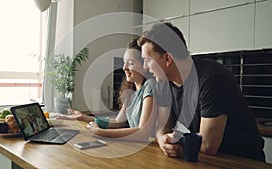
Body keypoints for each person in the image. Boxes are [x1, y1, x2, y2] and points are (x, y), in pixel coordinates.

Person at [137, 22, 266, 161]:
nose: (145, 67)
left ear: (167, 59)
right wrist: (163, 139)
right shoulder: (162, 82)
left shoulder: (213, 78)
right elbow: (162, 126)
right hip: (201, 159)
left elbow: (208, 145)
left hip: (240, 161)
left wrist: (177, 148)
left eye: (147, 60)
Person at [58, 38, 156, 141]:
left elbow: (142, 133)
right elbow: (118, 122)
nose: (124, 68)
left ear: (145, 64)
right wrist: (84, 117)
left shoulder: (150, 85)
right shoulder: (131, 94)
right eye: (124, 62)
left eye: (130, 63)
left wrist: (100, 132)